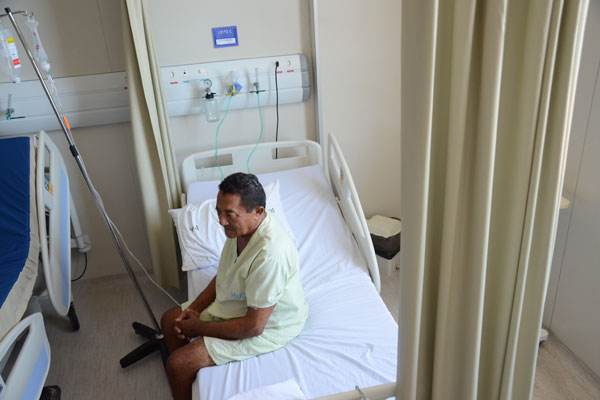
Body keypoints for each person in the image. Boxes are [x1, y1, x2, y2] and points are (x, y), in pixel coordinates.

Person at [161, 173, 308, 400]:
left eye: (229, 214)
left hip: (269, 326)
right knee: (170, 321)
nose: (221, 221)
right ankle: (189, 380)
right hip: (239, 304)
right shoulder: (239, 230)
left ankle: (185, 371)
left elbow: (253, 327)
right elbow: (224, 275)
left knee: (178, 364)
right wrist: (194, 310)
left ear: (258, 211)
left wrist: (197, 328)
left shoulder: (270, 254)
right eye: (218, 212)